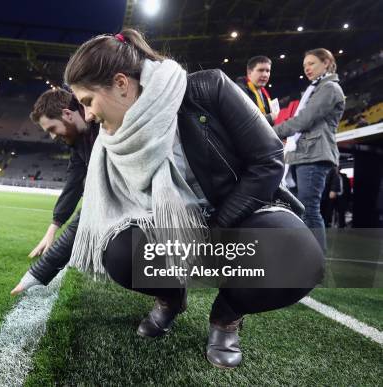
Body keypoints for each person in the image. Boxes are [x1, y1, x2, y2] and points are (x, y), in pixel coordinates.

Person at [60, 29, 322, 369]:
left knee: (300, 260)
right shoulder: (112, 139)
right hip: (177, 232)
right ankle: (171, 297)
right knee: (119, 250)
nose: (88, 115)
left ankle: (227, 315)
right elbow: (92, 214)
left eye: (87, 101)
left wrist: (217, 228)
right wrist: (40, 270)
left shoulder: (208, 88)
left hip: (239, 217)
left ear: (121, 83)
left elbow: (269, 159)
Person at [10, 89, 97, 295]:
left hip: (159, 203)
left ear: (68, 114)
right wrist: (53, 226)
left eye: (51, 128)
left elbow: (93, 209)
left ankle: (170, 295)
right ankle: (170, 295)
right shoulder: (79, 144)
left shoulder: (106, 128)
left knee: (118, 255)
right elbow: (73, 185)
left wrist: (42, 270)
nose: (51, 136)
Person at [273, 48, 345, 252]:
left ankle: (316, 261)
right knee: (298, 209)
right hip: (301, 154)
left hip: (314, 155)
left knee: (309, 209)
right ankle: (302, 255)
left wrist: (271, 131)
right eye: (305, 65)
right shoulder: (315, 89)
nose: (307, 68)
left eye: (312, 63)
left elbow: (304, 120)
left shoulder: (329, 88)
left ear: (327, 63)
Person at [235, 56, 278, 125]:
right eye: (260, 70)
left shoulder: (263, 91)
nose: (265, 74)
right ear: (249, 72)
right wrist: (270, 117)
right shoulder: (240, 91)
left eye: (268, 71)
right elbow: (246, 122)